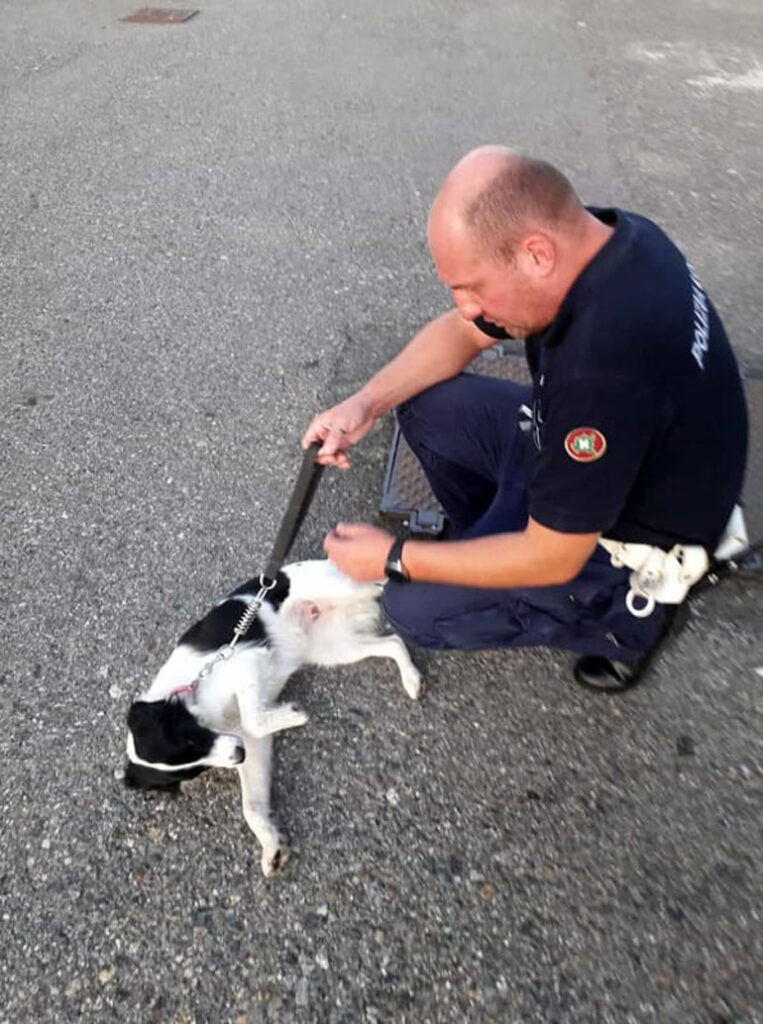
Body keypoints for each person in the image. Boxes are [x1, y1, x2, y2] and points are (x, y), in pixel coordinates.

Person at [301, 147, 748, 689]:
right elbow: (465, 332)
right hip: (582, 462)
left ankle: (624, 624)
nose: (464, 305)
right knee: (423, 404)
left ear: (536, 254)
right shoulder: (613, 238)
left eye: (470, 286)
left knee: (412, 606)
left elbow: (552, 556)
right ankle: (486, 548)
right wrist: (364, 403)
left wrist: (395, 557)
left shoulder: (602, 372)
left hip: (625, 541)